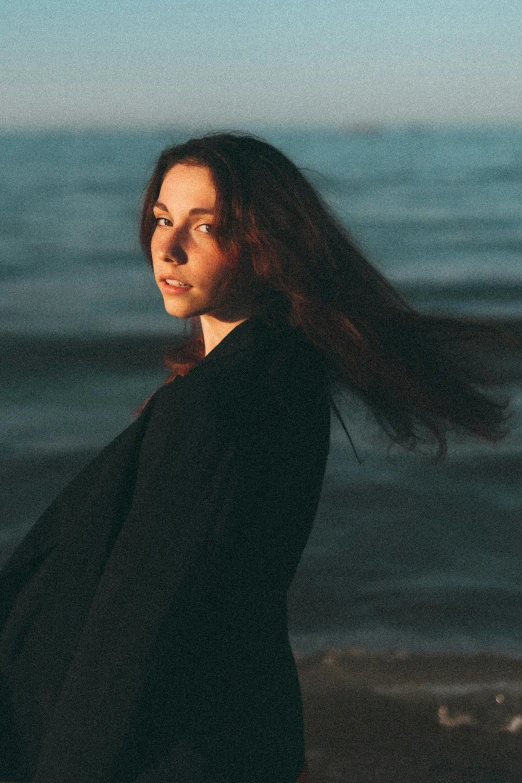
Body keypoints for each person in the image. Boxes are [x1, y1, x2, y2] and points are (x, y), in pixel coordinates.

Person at [0, 132, 516, 783]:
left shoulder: (214, 408)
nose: (168, 246)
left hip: (169, 752)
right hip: (244, 730)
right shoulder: (288, 373)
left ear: (262, 244)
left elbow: (132, 641)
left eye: (205, 225)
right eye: (162, 219)